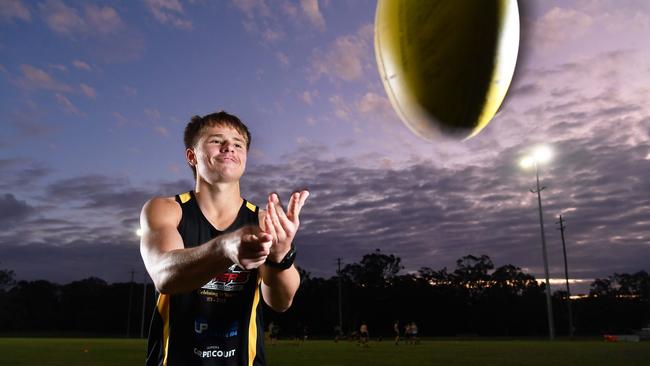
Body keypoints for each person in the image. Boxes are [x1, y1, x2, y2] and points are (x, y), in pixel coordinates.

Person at [140, 111, 309, 366]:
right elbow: (164, 276)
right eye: (216, 140)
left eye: (238, 143)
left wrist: (280, 256)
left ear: (244, 159)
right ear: (192, 156)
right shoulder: (166, 209)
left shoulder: (263, 220)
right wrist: (225, 248)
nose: (229, 146)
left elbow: (281, 302)